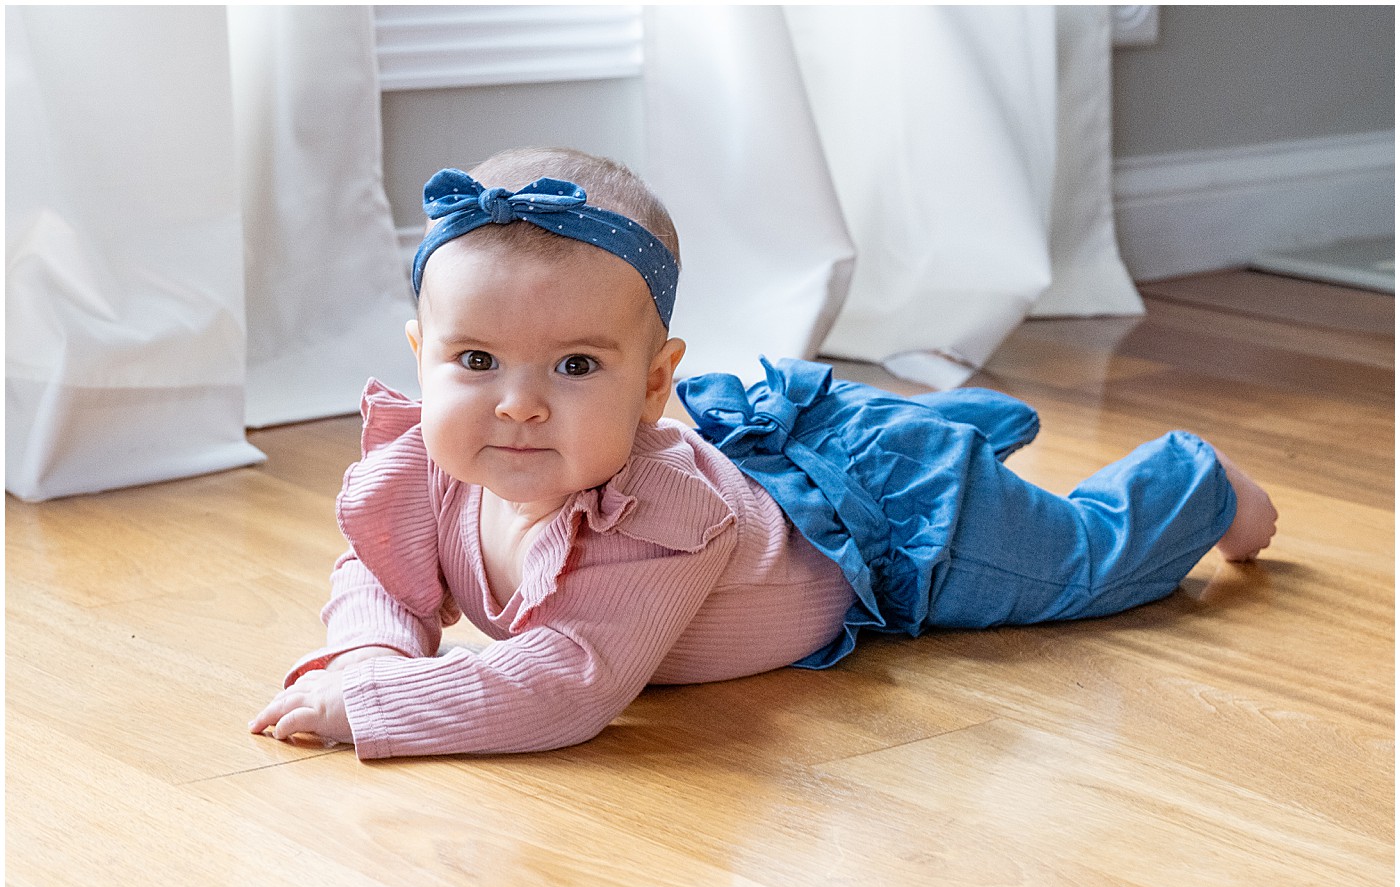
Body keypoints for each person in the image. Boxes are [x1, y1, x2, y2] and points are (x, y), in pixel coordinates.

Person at [250, 147, 1278, 759]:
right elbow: (374, 575)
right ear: (421, 357)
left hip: (890, 535)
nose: (517, 406)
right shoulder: (421, 471)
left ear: (654, 385)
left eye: (573, 366)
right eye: (475, 359)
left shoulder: (659, 510)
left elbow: (568, 681)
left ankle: (1190, 485)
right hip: (780, 478)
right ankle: (958, 423)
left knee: (1072, 567)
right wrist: (369, 654)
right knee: (950, 450)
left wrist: (373, 709)